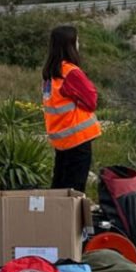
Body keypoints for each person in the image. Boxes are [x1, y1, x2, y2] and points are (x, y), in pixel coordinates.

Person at [41, 25, 101, 193]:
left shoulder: (50, 74)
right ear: (70, 45)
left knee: (59, 187)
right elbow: (91, 100)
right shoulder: (71, 72)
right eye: (77, 41)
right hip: (77, 139)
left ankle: (54, 211)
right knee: (75, 191)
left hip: (61, 140)